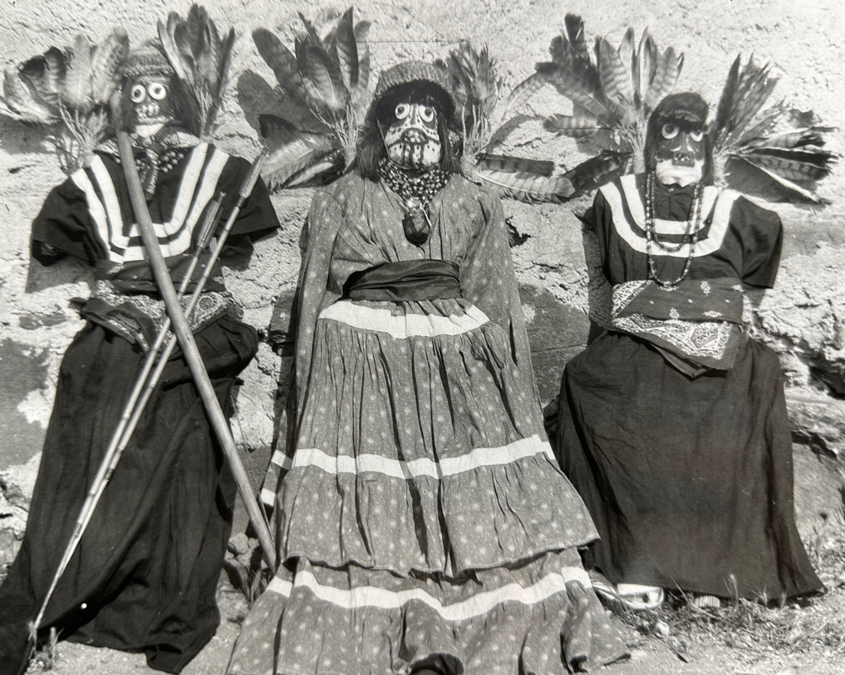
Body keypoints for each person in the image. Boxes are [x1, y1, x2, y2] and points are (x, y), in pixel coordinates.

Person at [227, 61, 627, 675]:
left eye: (428, 118)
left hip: (456, 357)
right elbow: (313, 298)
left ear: (447, 130)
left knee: (473, 485)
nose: (414, 130)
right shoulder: (340, 199)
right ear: (378, 130)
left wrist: (513, 394)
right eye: (400, 118)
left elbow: (497, 300)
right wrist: (305, 395)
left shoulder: (475, 201)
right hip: (360, 359)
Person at [0, 45, 278, 674]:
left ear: (177, 98)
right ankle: (73, 581)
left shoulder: (213, 166)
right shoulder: (102, 169)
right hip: (120, 321)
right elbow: (57, 234)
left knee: (189, 459)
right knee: (97, 425)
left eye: (158, 90)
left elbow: (238, 225)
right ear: (123, 98)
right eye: (135, 91)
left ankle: (166, 588)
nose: (146, 102)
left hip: (196, 321)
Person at [555, 92, 823, 609]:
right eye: (669, 138)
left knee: (756, 374)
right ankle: (634, 563)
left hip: (716, 349)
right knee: (585, 381)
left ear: (707, 147)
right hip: (637, 341)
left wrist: (716, 316)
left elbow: (756, 275)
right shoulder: (615, 201)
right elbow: (606, 285)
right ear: (652, 143)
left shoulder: (737, 211)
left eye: (693, 139)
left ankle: (718, 574)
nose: (680, 151)